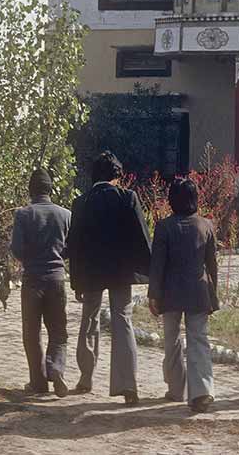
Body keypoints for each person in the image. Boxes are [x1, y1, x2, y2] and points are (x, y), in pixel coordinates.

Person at [67, 151, 152, 405]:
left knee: (89, 319)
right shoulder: (128, 198)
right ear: (118, 175)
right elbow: (141, 237)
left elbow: (75, 244)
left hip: (91, 272)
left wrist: (76, 281)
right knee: (122, 320)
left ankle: (85, 378)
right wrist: (149, 271)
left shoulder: (81, 203)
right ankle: (128, 385)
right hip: (120, 272)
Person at [148, 178, 219, 413]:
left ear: (172, 200)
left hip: (170, 291)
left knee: (171, 339)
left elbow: (157, 264)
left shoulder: (164, 227)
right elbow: (212, 265)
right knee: (198, 339)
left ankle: (176, 387)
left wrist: (153, 294)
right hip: (198, 291)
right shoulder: (207, 225)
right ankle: (201, 391)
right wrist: (214, 295)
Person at [10, 167, 71, 397]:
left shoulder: (23, 215)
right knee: (58, 331)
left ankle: (38, 382)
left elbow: (16, 249)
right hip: (57, 279)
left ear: (31, 190)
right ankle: (55, 368)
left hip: (32, 279)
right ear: (50, 189)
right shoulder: (65, 215)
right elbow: (70, 248)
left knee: (32, 332)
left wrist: (30, 259)